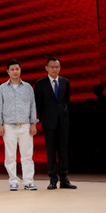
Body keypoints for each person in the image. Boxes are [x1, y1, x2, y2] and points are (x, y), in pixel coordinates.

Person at [0, 59, 39, 191]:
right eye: (12, 69)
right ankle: (13, 181)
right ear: (8, 71)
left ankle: (28, 181)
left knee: (27, 155)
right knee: (10, 156)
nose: (15, 71)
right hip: (8, 126)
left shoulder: (28, 87)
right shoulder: (2, 88)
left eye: (17, 69)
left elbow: (32, 105)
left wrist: (33, 123)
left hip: (25, 126)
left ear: (20, 70)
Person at [34, 56, 77, 190]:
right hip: (48, 123)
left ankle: (64, 179)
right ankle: (53, 179)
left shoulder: (65, 82)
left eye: (57, 67)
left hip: (63, 122)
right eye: (52, 67)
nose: (54, 69)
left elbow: (66, 101)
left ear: (60, 68)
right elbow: (38, 104)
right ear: (46, 68)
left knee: (63, 151)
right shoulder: (40, 83)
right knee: (51, 152)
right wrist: (43, 118)